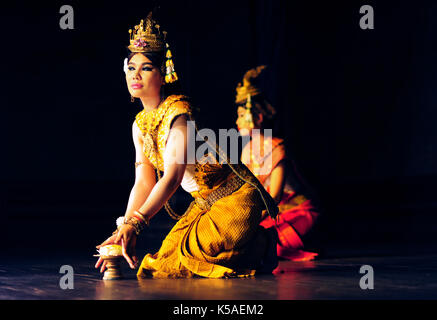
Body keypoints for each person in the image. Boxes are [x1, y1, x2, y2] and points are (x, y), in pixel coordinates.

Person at [95, 12, 279, 278]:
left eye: (146, 68)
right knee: (161, 261)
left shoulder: (179, 115)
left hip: (235, 199)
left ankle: (260, 245)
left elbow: (171, 178)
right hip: (203, 204)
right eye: (131, 68)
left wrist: (136, 224)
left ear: (163, 74)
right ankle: (253, 246)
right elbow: (143, 182)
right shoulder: (139, 124)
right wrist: (123, 228)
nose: (136, 75)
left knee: (191, 258)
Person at [235, 66, 320, 261]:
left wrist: (248, 222)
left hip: (297, 213)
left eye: (241, 115)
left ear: (258, 117)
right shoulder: (246, 151)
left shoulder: (277, 149)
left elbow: (274, 197)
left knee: (263, 244)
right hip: (272, 215)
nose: (237, 121)